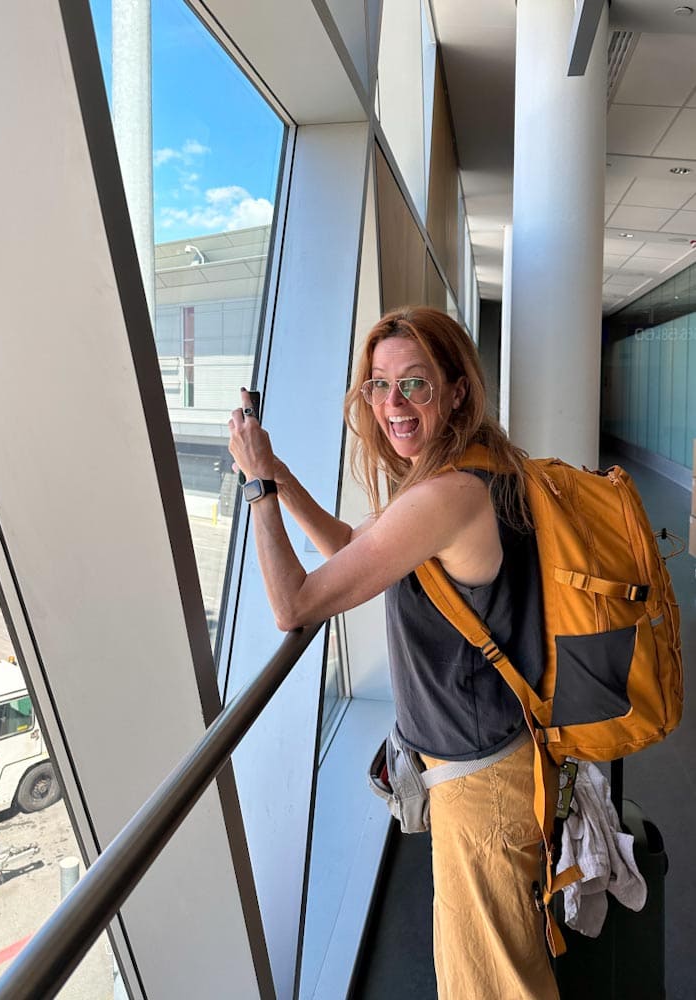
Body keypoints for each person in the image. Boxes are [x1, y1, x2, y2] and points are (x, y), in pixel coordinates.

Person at [228, 306, 559, 1000]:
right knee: (496, 967)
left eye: (415, 383)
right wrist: (278, 471)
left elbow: (294, 604)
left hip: (481, 783)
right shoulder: (474, 468)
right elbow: (352, 548)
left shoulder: (446, 496)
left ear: (457, 390)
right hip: (494, 762)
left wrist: (256, 487)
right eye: (379, 385)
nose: (393, 404)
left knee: (492, 984)